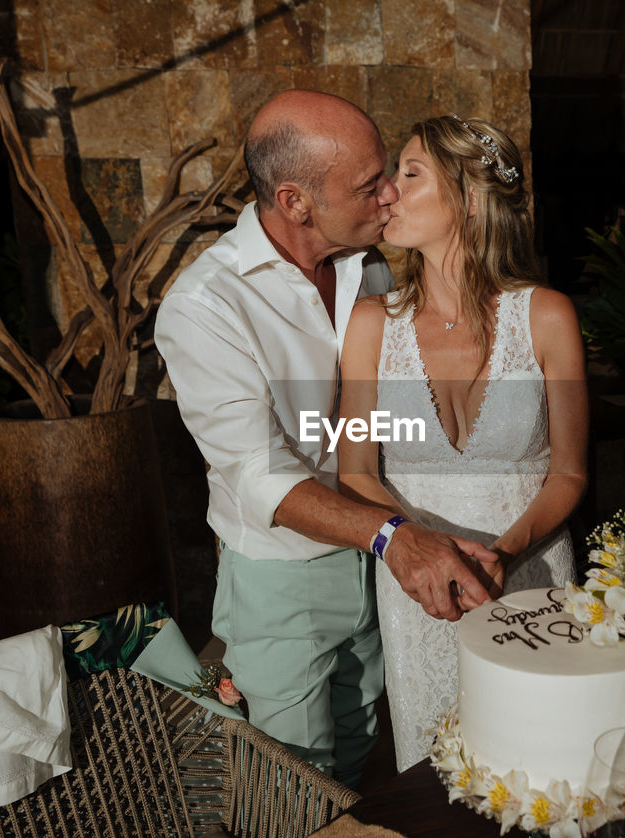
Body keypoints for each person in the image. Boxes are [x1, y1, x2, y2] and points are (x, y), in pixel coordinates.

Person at [154, 91, 497, 787]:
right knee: (292, 785)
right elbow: (259, 475)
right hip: (283, 577)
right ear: (295, 200)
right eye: (368, 184)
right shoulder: (205, 306)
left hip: (374, 562)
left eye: (391, 174)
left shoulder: (364, 264)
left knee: (358, 751)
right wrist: (394, 536)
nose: (388, 197)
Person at [337, 115, 589, 769]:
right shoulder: (369, 324)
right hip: (418, 595)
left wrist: (503, 553)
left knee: (545, 769)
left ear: (470, 197)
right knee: (437, 778)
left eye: (410, 173)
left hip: (529, 577)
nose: (387, 190)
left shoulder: (549, 315)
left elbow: (568, 474)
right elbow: (356, 469)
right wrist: (420, 546)